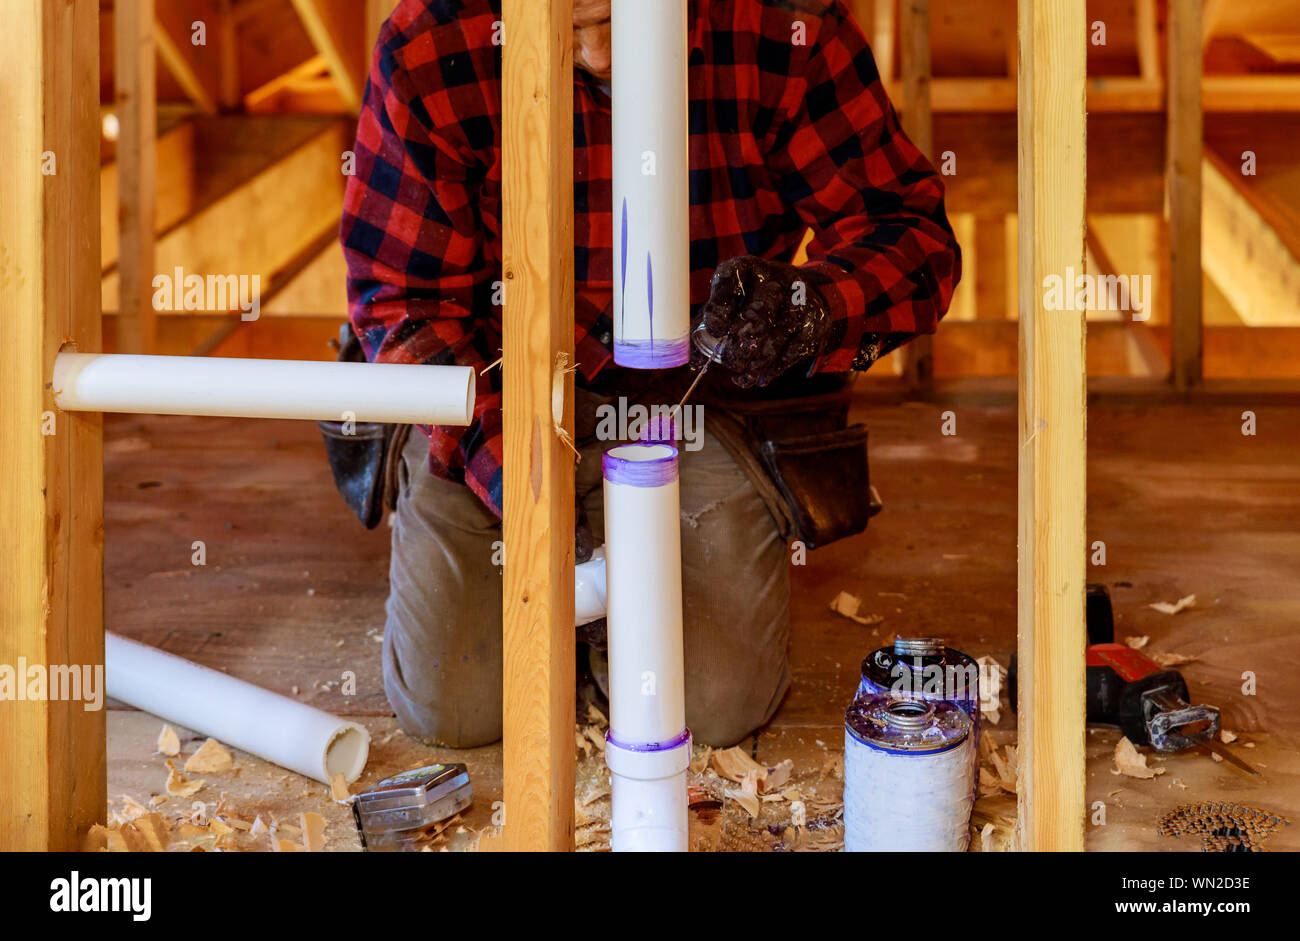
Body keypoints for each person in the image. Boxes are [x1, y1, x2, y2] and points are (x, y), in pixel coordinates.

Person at [340, 0, 961, 748]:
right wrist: (523, 482)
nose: (601, 56)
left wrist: (814, 306)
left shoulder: (784, 26)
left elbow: (912, 233)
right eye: (570, 30)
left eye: (619, 20)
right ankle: (564, 579)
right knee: (458, 705)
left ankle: (601, 603)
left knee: (707, 707)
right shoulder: (436, 41)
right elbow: (403, 299)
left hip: (704, 398)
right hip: (498, 385)